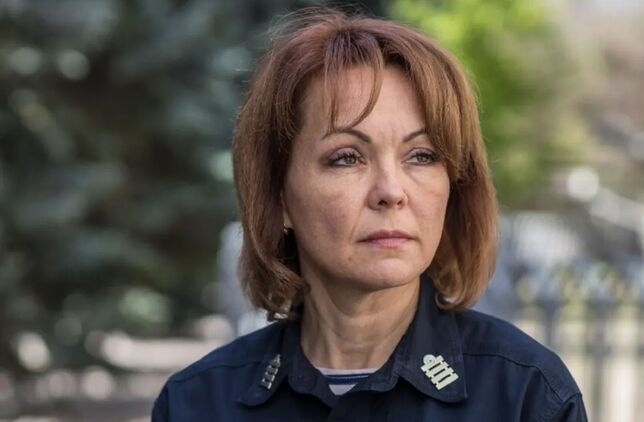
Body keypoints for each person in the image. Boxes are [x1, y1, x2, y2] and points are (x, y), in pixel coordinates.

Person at [152, 8, 587, 421]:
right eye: (346, 157)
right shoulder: (196, 404)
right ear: (277, 197)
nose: (391, 192)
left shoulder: (527, 395)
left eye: (421, 155)